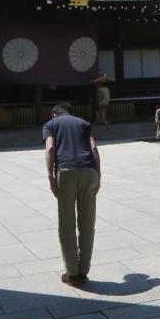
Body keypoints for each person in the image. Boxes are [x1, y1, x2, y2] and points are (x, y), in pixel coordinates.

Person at [43, 102, 101, 286]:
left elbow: (50, 148)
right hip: (89, 171)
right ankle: (84, 270)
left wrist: (50, 176)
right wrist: (98, 175)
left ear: (54, 114)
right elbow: (93, 147)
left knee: (67, 225)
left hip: (66, 172)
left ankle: (72, 274)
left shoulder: (50, 125)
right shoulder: (83, 123)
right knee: (87, 224)